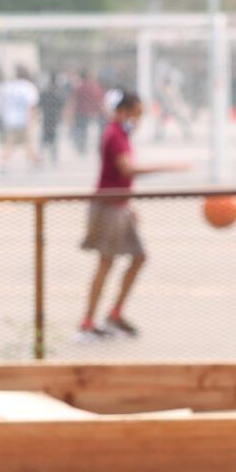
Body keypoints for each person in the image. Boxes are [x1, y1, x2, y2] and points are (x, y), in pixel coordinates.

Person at [79, 90, 187, 340]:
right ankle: (87, 322)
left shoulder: (122, 135)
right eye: (135, 115)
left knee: (139, 257)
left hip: (120, 207)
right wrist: (168, 167)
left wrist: (128, 206)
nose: (137, 121)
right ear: (121, 112)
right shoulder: (114, 134)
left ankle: (115, 313)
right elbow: (127, 169)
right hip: (107, 209)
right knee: (105, 263)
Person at [0, 66, 40, 172]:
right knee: (28, 141)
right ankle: (34, 160)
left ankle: (4, 161)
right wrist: (33, 118)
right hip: (24, 117)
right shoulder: (28, 87)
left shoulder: (8, 86)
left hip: (10, 117)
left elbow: (1, 102)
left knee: (9, 142)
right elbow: (32, 104)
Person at [70, 69, 103, 156]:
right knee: (85, 129)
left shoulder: (78, 87)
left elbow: (73, 100)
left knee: (81, 129)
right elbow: (98, 99)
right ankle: (83, 146)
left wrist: (71, 112)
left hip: (80, 111)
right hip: (90, 111)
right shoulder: (93, 87)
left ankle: (81, 145)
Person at [39, 68, 67, 166]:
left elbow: (40, 104)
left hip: (46, 118)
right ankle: (54, 158)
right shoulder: (58, 92)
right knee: (55, 139)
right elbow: (62, 105)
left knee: (44, 138)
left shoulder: (44, 91)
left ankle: (42, 156)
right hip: (55, 118)